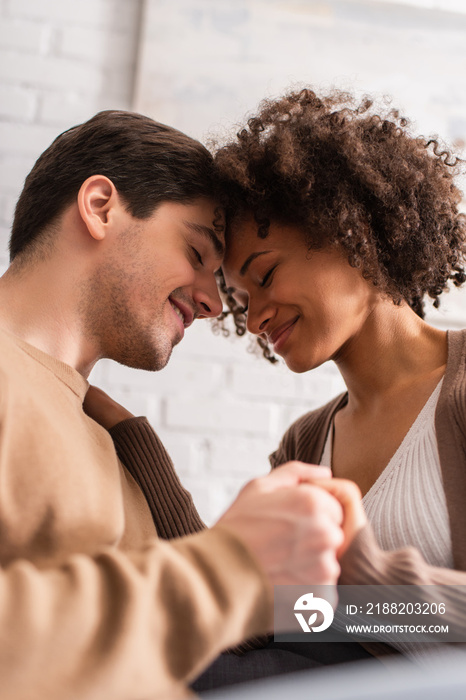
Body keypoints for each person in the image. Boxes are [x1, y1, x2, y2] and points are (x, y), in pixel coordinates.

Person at [0, 109, 362, 700]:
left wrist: (404, 604)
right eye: (198, 254)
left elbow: (241, 640)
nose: (219, 307)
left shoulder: (101, 432)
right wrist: (227, 569)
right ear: (100, 207)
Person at [214, 87, 466, 661]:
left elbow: (330, 615)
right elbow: (291, 619)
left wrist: (368, 579)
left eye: (267, 275)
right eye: (240, 299)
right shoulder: (305, 445)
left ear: (352, 233)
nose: (253, 318)